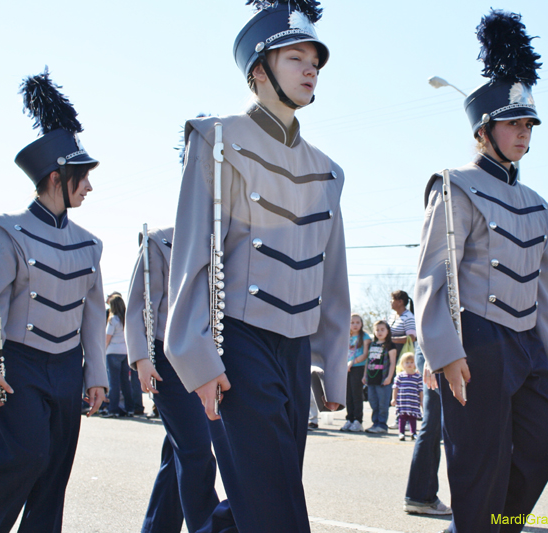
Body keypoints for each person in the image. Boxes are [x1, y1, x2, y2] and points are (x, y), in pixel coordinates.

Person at [164, 2, 350, 532]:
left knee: (268, 493)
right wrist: (196, 357)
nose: (311, 68)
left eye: (315, 59)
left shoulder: (328, 171)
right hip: (236, 342)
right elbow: (194, 254)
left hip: (294, 352)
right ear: (258, 71)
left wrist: (330, 365)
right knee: (275, 508)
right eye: (295, 57)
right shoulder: (218, 140)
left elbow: (330, 277)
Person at [415, 10, 548, 532]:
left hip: (526, 345)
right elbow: (433, 275)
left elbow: (543, 290)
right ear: (484, 129)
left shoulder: (538, 204)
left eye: (528, 124)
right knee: (480, 470)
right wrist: (443, 351)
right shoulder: (455, 185)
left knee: (543, 451)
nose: (523, 133)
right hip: (475, 339)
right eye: (513, 123)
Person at [0, 69, 107, 533]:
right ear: (54, 177)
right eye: (81, 178)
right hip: (18, 365)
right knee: (25, 457)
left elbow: (92, 316)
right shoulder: (7, 231)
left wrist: (96, 376)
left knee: (54, 475)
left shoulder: (90, 244)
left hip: (67, 368)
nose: (88, 187)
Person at [124, 226, 221, 533]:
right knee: (196, 452)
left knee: (180, 451)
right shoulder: (159, 240)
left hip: (208, 360)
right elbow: (139, 304)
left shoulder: (223, 234)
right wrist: (140, 357)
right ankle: (209, 528)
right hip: (167, 358)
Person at [403, 342, 451, 516]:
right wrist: (433, 355)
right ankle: (421, 496)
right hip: (438, 349)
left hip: (435, 349)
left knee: (432, 425)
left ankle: (419, 496)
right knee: (433, 425)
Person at [363, 321, 397, 434]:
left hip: (383, 379)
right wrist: (364, 376)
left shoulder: (390, 345)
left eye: (382, 329)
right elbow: (368, 361)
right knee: (373, 402)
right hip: (372, 378)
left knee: (383, 404)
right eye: (377, 330)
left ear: (388, 331)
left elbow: (392, 363)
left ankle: (382, 425)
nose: (380, 332)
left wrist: (389, 377)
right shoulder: (372, 345)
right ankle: (375, 423)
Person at [103, 294, 134, 418]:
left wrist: (102, 352)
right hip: (125, 353)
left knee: (114, 383)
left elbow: (107, 339)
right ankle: (130, 408)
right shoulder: (126, 320)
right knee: (126, 382)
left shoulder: (113, 320)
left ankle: (113, 410)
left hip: (113, 352)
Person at [342, 313, 370, 432]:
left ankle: (358, 420)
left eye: (358, 322)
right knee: (347, 395)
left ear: (361, 324)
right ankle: (350, 418)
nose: (355, 325)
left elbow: (365, 354)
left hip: (358, 367)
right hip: (345, 368)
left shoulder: (365, 337)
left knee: (356, 394)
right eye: (352, 322)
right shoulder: (345, 336)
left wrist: (352, 362)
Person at [392, 352, 422, 441]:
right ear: (402, 364)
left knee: (413, 418)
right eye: (407, 362)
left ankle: (413, 433)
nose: (409, 364)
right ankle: (401, 433)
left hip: (413, 401)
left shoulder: (418, 377)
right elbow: (395, 388)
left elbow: (421, 390)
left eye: (412, 362)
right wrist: (394, 398)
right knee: (402, 417)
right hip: (402, 401)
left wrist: (422, 400)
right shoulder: (400, 376)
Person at [389, 290, 417, 355]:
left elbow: (412, 338)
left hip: (402, 357)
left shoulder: (409, 317)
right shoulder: (392, 316)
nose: (390, 301)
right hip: (391, 355)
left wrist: (392, 340)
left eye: (392, 299)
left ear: (400, 302)